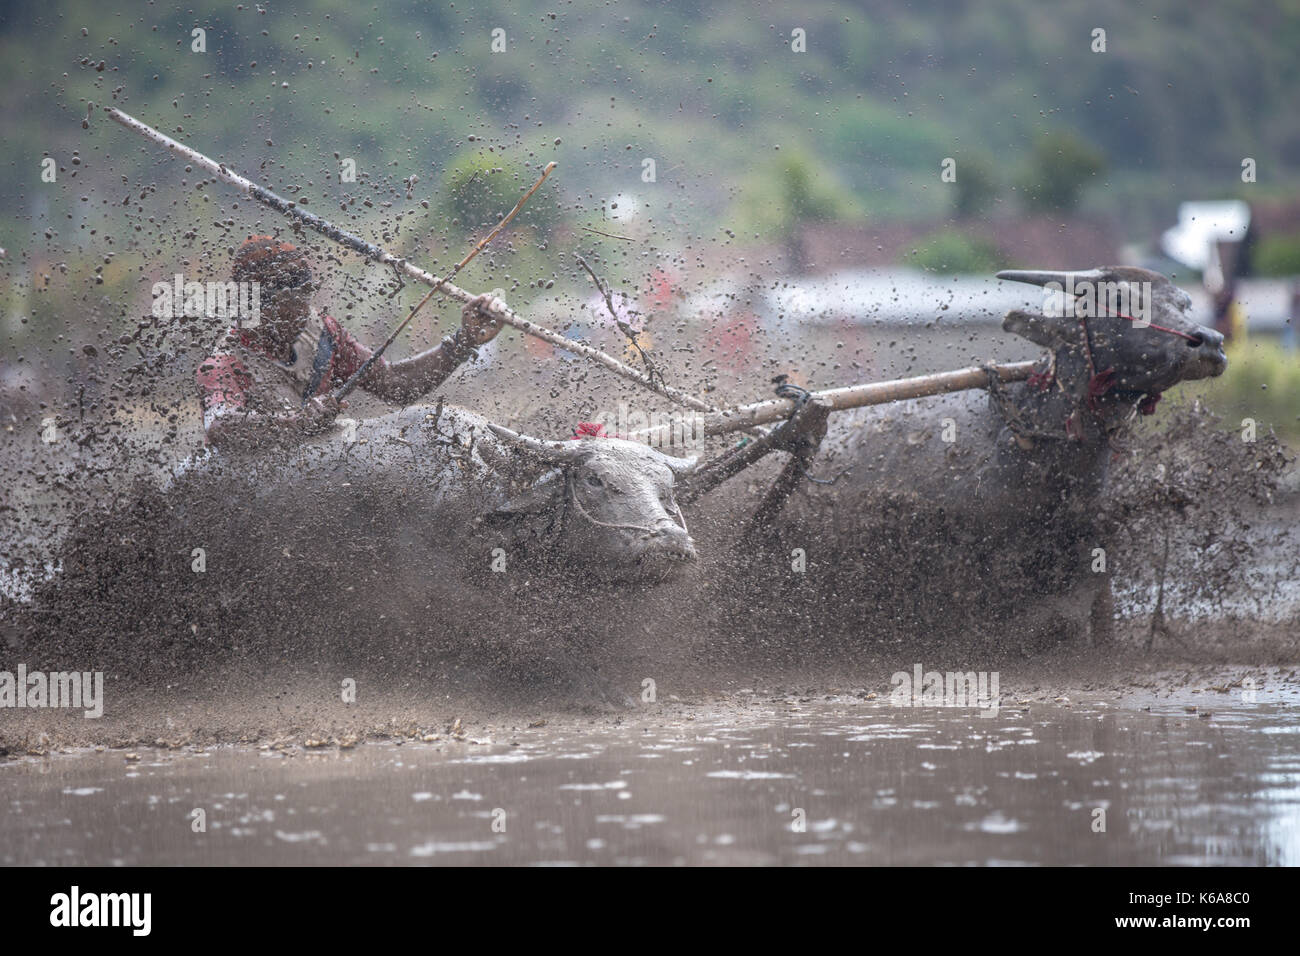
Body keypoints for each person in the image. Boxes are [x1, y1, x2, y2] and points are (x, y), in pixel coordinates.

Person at [196, 236, 504, 451]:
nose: (303, 311)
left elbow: (395, 383)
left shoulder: (322, 332)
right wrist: (298, 424)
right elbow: (220, 427)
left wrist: (463, 342)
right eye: (290, 302)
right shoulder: (225, 362)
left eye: (306, 296)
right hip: (249, 492)